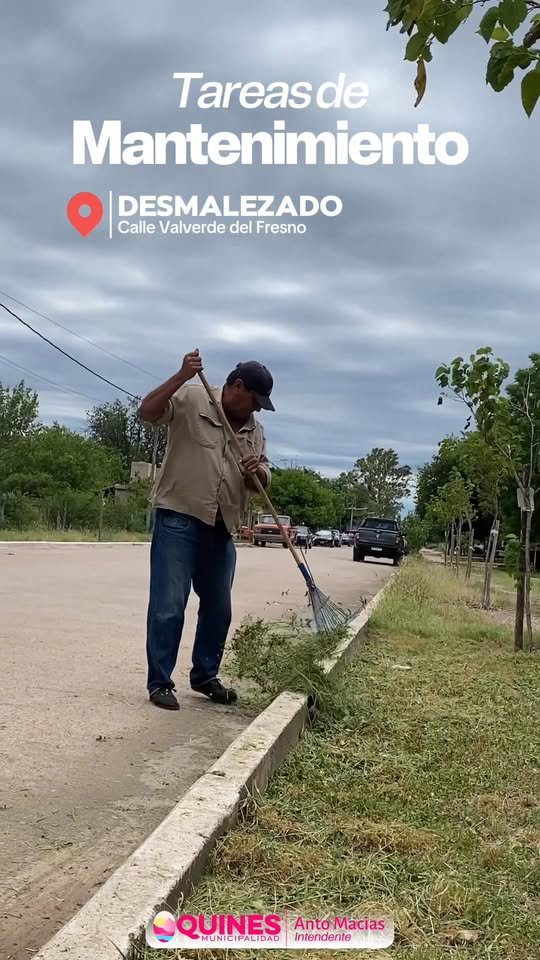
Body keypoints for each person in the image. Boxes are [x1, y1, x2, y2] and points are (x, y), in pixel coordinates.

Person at [138, 350, 274, 711]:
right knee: (169, 606)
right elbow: (147, 412)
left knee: (219, 609)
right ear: (237, 387)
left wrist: (256, 472)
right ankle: (160, 683)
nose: (257, 409)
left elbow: (262, 479)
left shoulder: (255, 431)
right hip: (179, 519)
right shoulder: (193, 398)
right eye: (255, 400)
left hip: (222, 527)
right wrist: (181, 375)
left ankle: (205, 676)